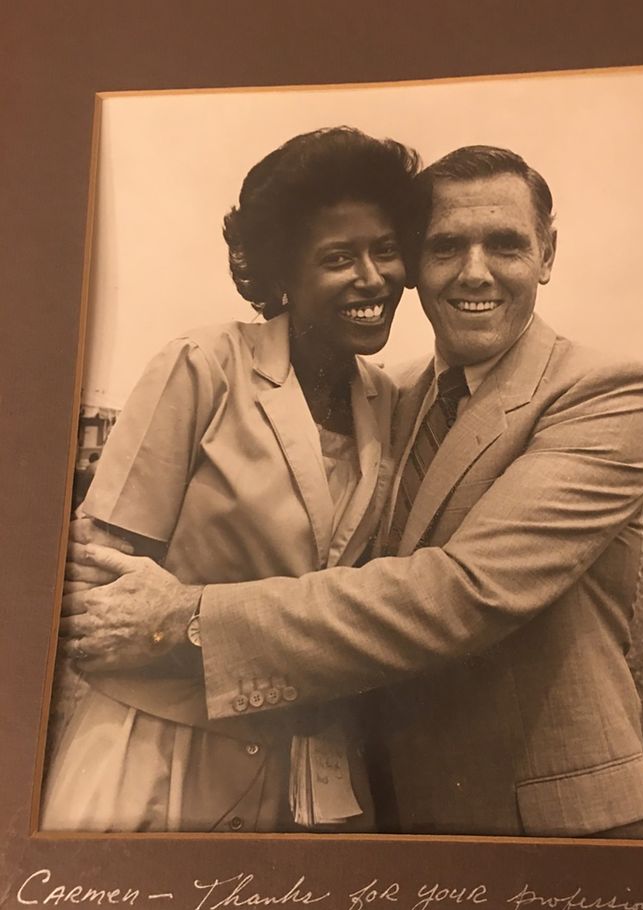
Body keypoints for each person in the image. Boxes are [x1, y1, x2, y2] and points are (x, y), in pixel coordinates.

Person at [62, 145, 643, 840]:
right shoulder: (391, 395)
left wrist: (187, 615)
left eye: (504, 244)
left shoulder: (604, 390)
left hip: (556, 822)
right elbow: (97, 586)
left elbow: (463, 592)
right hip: (372, 807)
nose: (475, 271)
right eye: (445, 246)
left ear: (547, 253)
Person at [43, 126, 421, 833]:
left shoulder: (386, 402)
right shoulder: (204, 365)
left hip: (312, 776)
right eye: (339, 257)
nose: (373, 277)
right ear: (282, 272)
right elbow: (94, 587)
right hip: (161, 761)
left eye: (386, 249)